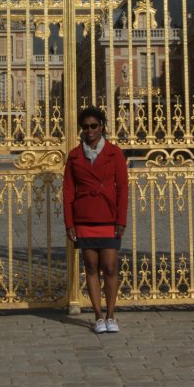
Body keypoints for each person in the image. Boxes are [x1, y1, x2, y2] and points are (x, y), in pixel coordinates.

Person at [63, 105, 128, 334]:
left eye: (94, 126)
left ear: (102, 127)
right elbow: (68, 191)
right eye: (85, 127)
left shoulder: (114, 153)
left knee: (110, 267)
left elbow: (123, 188)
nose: (89, 130)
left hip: (108, 217)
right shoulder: (73, 156)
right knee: (91, 267)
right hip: (85, 218)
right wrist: (69, 223)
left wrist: (121, 220)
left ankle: (111, 314)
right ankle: (98, 316)